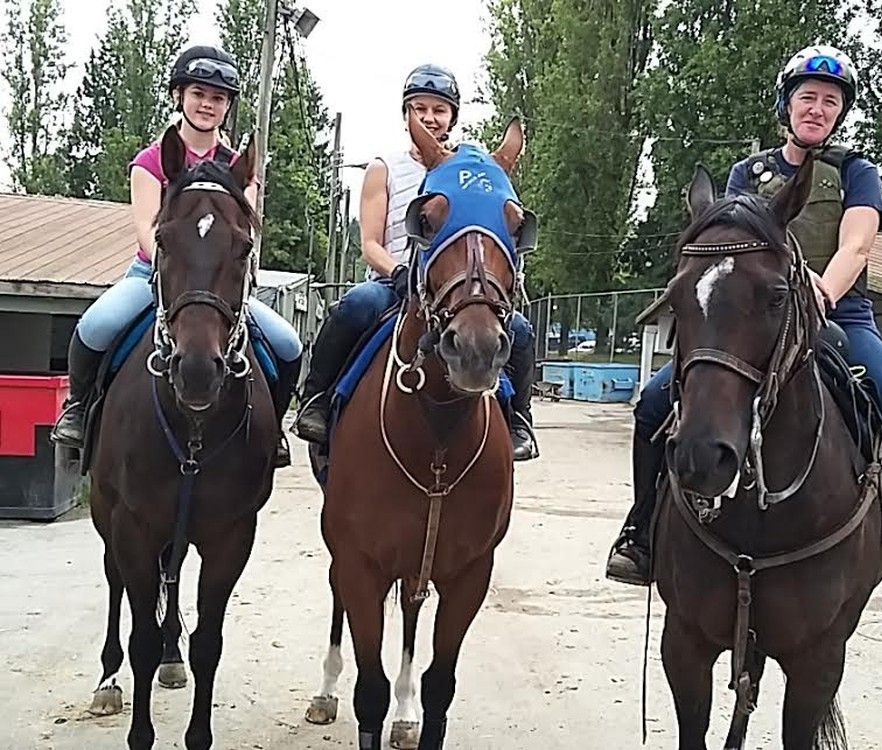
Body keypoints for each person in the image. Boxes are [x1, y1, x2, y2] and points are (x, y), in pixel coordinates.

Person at [605, 45, 882, 637]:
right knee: (655, 405)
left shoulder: (856, 172)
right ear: (787, 105)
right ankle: (641, 532)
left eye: (830, 101)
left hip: (842, 317)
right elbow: (733, 247)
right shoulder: (749, 173)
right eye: (807, 97)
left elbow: (857, 246)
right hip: (757, 316)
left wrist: (821, 293)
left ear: (840, 113)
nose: (817, 109)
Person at [51, 45, 303, 468]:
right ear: (179, 95)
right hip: (156, 274)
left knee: (287, 345)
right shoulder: (151, 161)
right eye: (198, 93)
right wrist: (173, 273)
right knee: (96, 325)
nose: (207, 104)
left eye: (218, 97)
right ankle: (78, 410)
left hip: (218, 282)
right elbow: (147, 231)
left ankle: (273, 428)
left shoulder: (241, 168)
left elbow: (242, 232)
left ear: (228, 106)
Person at [293, 63, 540, 461]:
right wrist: (398, 271)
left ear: (452, 116)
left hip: (448, 286)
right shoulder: (383, 168)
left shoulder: (469, 174)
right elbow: (370, 243)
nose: (429, 117)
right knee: (355, 305)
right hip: (394, 280)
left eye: (438, 109)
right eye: (419, 108)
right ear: (406, 114)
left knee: (521, 331)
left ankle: (519, 420)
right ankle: (317, 399)